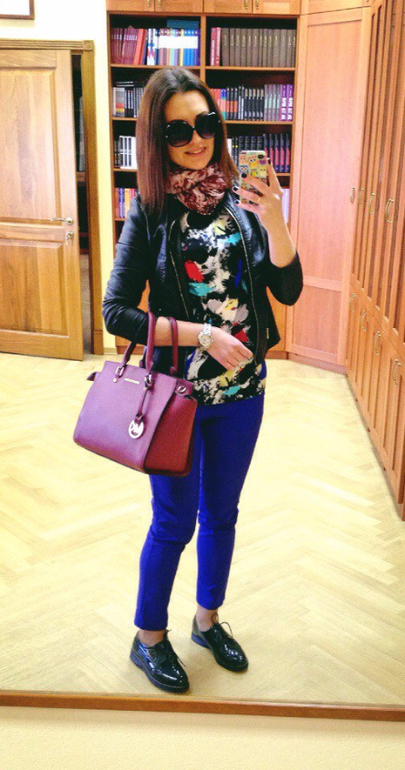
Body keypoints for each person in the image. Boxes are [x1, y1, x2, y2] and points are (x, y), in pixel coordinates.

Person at [102, 66, 303, 695]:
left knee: (223, 514)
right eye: (178, 130)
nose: (196, 139)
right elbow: (116, 312)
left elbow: (288, 289)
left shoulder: (244, 201)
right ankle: (148, 638)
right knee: (173, 522)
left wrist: (276, 220)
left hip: (244, 393)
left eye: (206, 124)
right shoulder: (150, 210)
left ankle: (207, 621)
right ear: (156, 139)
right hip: (177, 397)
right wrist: (203, 336)